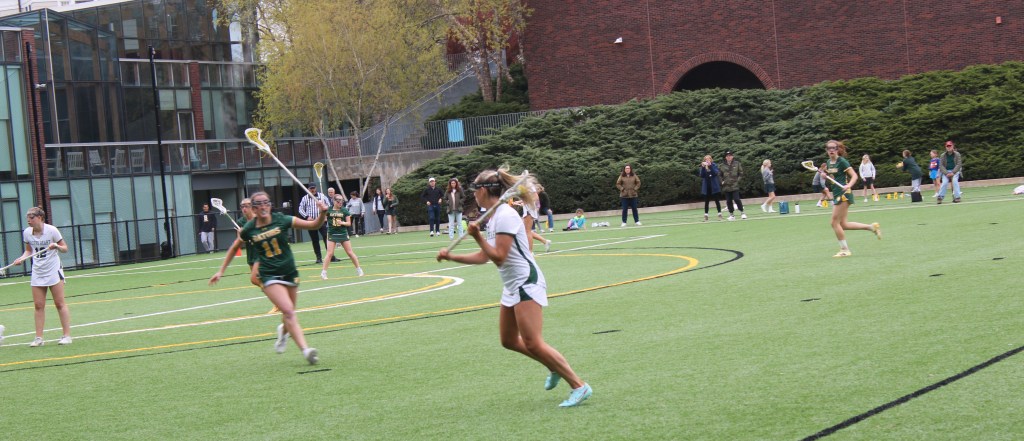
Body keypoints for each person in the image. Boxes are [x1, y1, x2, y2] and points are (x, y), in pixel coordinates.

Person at [436, 167, 592, 408]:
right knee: (508, 340)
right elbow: (484, 257)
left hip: (525, 282)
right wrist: (451, 257)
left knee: (533, 342)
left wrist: (477, 237)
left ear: (484, 190)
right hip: (512, 285)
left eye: (475, 189)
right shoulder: (493, 216)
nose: (473, 194)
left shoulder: (505, 215)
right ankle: (553, 365)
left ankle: (579, 386)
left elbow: (499, 257)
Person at [209, 191, 324, 365]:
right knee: (288, 311)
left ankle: (283, 333)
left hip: (289, 272)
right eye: (259, 204)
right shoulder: (249, 229)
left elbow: (314, 225)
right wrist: (221, 271)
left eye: (266, 203)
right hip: (268, 274)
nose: (263, 206)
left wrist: (322, 213)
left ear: (270, 205)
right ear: (254, 209)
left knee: (289, 312)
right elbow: (234, 248)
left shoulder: (282, 220)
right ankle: (306, 351)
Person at [7, 207, 72, 347]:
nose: (29, 220)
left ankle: (67, 336)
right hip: (38, 271)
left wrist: (56, 246)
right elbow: (28, 251)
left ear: (40, 218)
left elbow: (65, 248)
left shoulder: (52, 230)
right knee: (38, 305)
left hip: (53, 269)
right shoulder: (27, 232)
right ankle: (39, 338)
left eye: (32, 217)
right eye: (28, 217)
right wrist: (21, 259)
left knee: (59, 303)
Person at [822, 140, 882, 257]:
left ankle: (844, 249)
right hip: (837, 193)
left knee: (834, 222)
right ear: (826, 150)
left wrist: (849, 185)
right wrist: (825, 175)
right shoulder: (829, 162)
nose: (831, 150)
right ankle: (871, 227)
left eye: (834, 148)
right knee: (843, 224)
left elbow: (854, 175)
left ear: (837, 149)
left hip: (844, 194)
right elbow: (833, 177)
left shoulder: (842, 161)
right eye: (829, 148)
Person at [323, 193, 363, 279]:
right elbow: (323, 218)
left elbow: (349, 223)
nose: (340, 202)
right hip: (332, 233)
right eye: (338, 201)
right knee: (329, 253)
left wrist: (342, 223)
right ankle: (324, 272)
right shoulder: (329, 210)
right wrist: (322, 212)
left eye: (341, 201)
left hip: (343, 233)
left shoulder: (344, 210)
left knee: (350, 252)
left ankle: (359, 269)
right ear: (334, 201)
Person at [297, 183, 331, 264]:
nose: (312, 190)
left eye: (313, 188)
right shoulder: (305, 198)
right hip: (311, 222)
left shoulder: (322, 196)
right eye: (311, 188)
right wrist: (306, 217)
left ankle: (330, 256)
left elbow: (329, 205)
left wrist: (326, 214)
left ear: (316, 188)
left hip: (321, 220)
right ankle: (318, 258)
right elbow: (300, 209)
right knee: (315, 240)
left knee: (326, 237)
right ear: (308, 189)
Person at [719, 151, 746, 220]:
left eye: (730, 156)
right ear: (725, 157)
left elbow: (741, 173)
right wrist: (722, 181)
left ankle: (742, 212)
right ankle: (731, 215)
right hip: (726, 186)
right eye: (727, 156)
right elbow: (720, 175)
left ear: (732, 156)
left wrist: (737, 180)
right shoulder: (722, 165)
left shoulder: (737, 163)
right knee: (728, 201)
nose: (729, 157)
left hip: (734, 185)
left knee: (737, 199)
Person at [937, 140, 963, 204]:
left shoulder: (957, 154)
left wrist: (953, 172)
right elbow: (941, 165)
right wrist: (946, 173)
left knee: (954, 181)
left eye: (950, 146)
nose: (949, 147)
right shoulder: (942, 155)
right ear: (945, 147)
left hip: (955, 171)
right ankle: (940, 197)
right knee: (944, 182)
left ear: (953, 146)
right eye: (947, 146)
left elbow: (959, 164)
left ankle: (957, 197)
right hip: (946, 172)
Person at [699, 155, 723, 221]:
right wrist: (703, 167)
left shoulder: (714, 165)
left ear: (711, 159)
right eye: (706, 159)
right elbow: (702, 175)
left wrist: (710, 166)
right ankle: (706, 215)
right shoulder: (703, 166)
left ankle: (719, 214)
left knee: (717, 201)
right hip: (706, 186)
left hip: (714, 186)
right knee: (706, 201)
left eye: (708, 159)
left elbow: (715, 173)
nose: (707, 160)